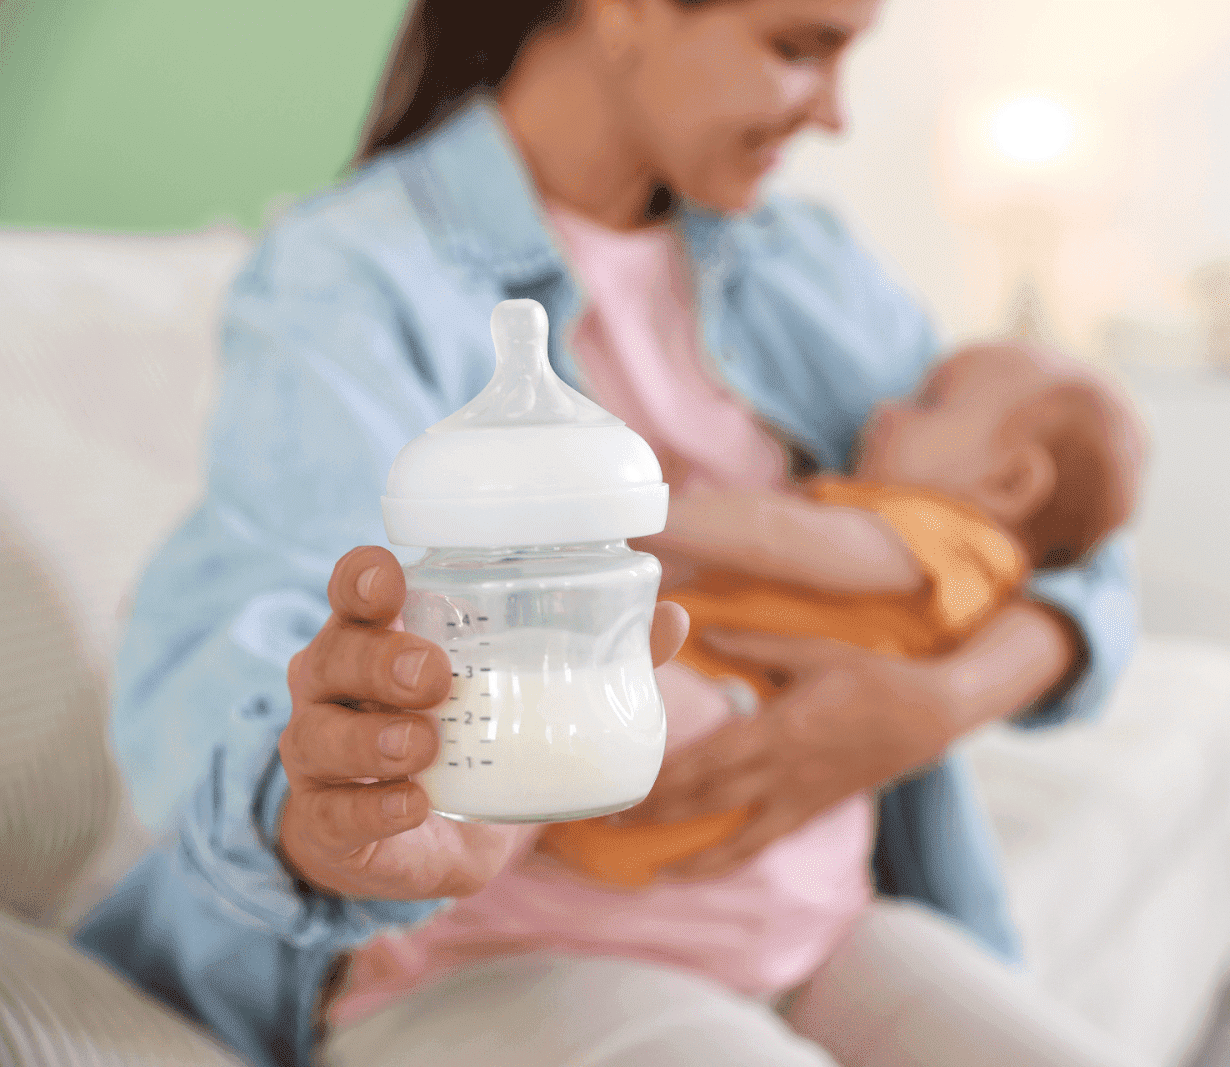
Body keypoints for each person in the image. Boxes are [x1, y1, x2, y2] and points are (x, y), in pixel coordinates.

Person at [74, 2, 1144, 1066]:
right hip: (501, 950)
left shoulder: (808, 267)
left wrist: (933, 703)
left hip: (807, 927)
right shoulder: (352, 276)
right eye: (798, 46)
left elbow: (1060, 536)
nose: (837, 116)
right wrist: (339, 810)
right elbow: (253, 647)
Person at [538, 340, 1139, 886]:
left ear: (1011, 480)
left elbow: (775, 536)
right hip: (722, 755)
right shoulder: (962, 567)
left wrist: (636, 512)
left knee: (572, 684)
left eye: (927, 403)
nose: (887, 410)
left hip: (727, 722)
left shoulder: (954, 544)